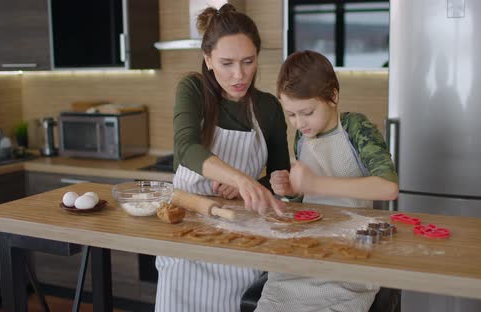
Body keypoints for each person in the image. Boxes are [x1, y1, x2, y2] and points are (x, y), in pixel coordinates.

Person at [155, 4, 291, 312]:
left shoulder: (267, 108)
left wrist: (258, 184)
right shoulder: (192, 89)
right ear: (208, 59)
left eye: (248, 61)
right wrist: (241, 179)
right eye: (226, 63)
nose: (239, 74)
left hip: (242, 241)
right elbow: (186, 148)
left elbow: (283, 178)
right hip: (186, 240)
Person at [256, 50, 399, 312]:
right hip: (306, 253)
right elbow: (306, 201)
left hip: (350, 260)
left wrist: (316, 184)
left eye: (307, 112)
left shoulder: (356, 127)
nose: (299, 123)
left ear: (332, 96)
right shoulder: (302, 137)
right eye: (291, 115)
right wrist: (289, 191)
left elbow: (388, 187)